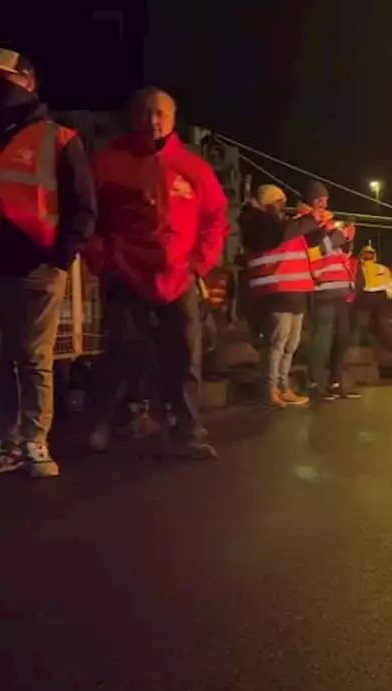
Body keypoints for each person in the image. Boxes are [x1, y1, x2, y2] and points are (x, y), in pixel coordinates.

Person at [0, 49, 97, 478]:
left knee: (34, 358)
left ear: (29, 80)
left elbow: (83, 205)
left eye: (5, 77)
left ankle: (35, 440)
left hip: (37, 265)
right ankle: (7, 441)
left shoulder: (60, 138)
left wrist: (61, 256)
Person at [83, 87, 229, 457]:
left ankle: (187, 431)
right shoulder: (108, 162)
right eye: (146, 112)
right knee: (120, 351)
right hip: (127, 273)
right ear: (134, 116)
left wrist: (199, 263)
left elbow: (215, 220)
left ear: (173, 117)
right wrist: (103, 258)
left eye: (160, 113)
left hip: (178, 279)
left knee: (183, 356)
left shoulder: (193, 167)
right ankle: (108, 422)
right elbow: (87, 217)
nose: (153, 120)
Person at [238, 184, 327, 407]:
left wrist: (319, 223)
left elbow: (310, 241)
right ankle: (269, 388)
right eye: (278, 200)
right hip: (275, 290)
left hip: (294, 290)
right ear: (264, 200)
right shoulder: (256, 220)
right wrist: (309, 219)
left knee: (290, 344)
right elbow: (278, 235)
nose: (282, 205)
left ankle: (282, 385)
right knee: (276, 343)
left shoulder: (285, 222)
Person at [303, 181, 362, 402]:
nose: (325, 206)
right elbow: (317, 251)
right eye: (321, 201)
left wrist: (347, 239)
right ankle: (315, 383)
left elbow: (339, 254)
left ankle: (334, 382)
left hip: (340, 291)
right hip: (323, 290)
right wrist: (341, 236)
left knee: (343, 337)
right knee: (322, 339)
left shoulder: (327, 226)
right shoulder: (305, 224)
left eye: (326, 201)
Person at [355, 244, 392, 349]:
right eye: (366, 253)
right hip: (365, 296)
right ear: (362, 255)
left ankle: (383, 343)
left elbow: (390, 283)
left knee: (382, 322)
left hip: (380, 296)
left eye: (370, 253)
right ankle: (361, 345)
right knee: (363, 322)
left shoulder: (382, 268)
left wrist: (388, 295)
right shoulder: (358, 268)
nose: (368, 255)